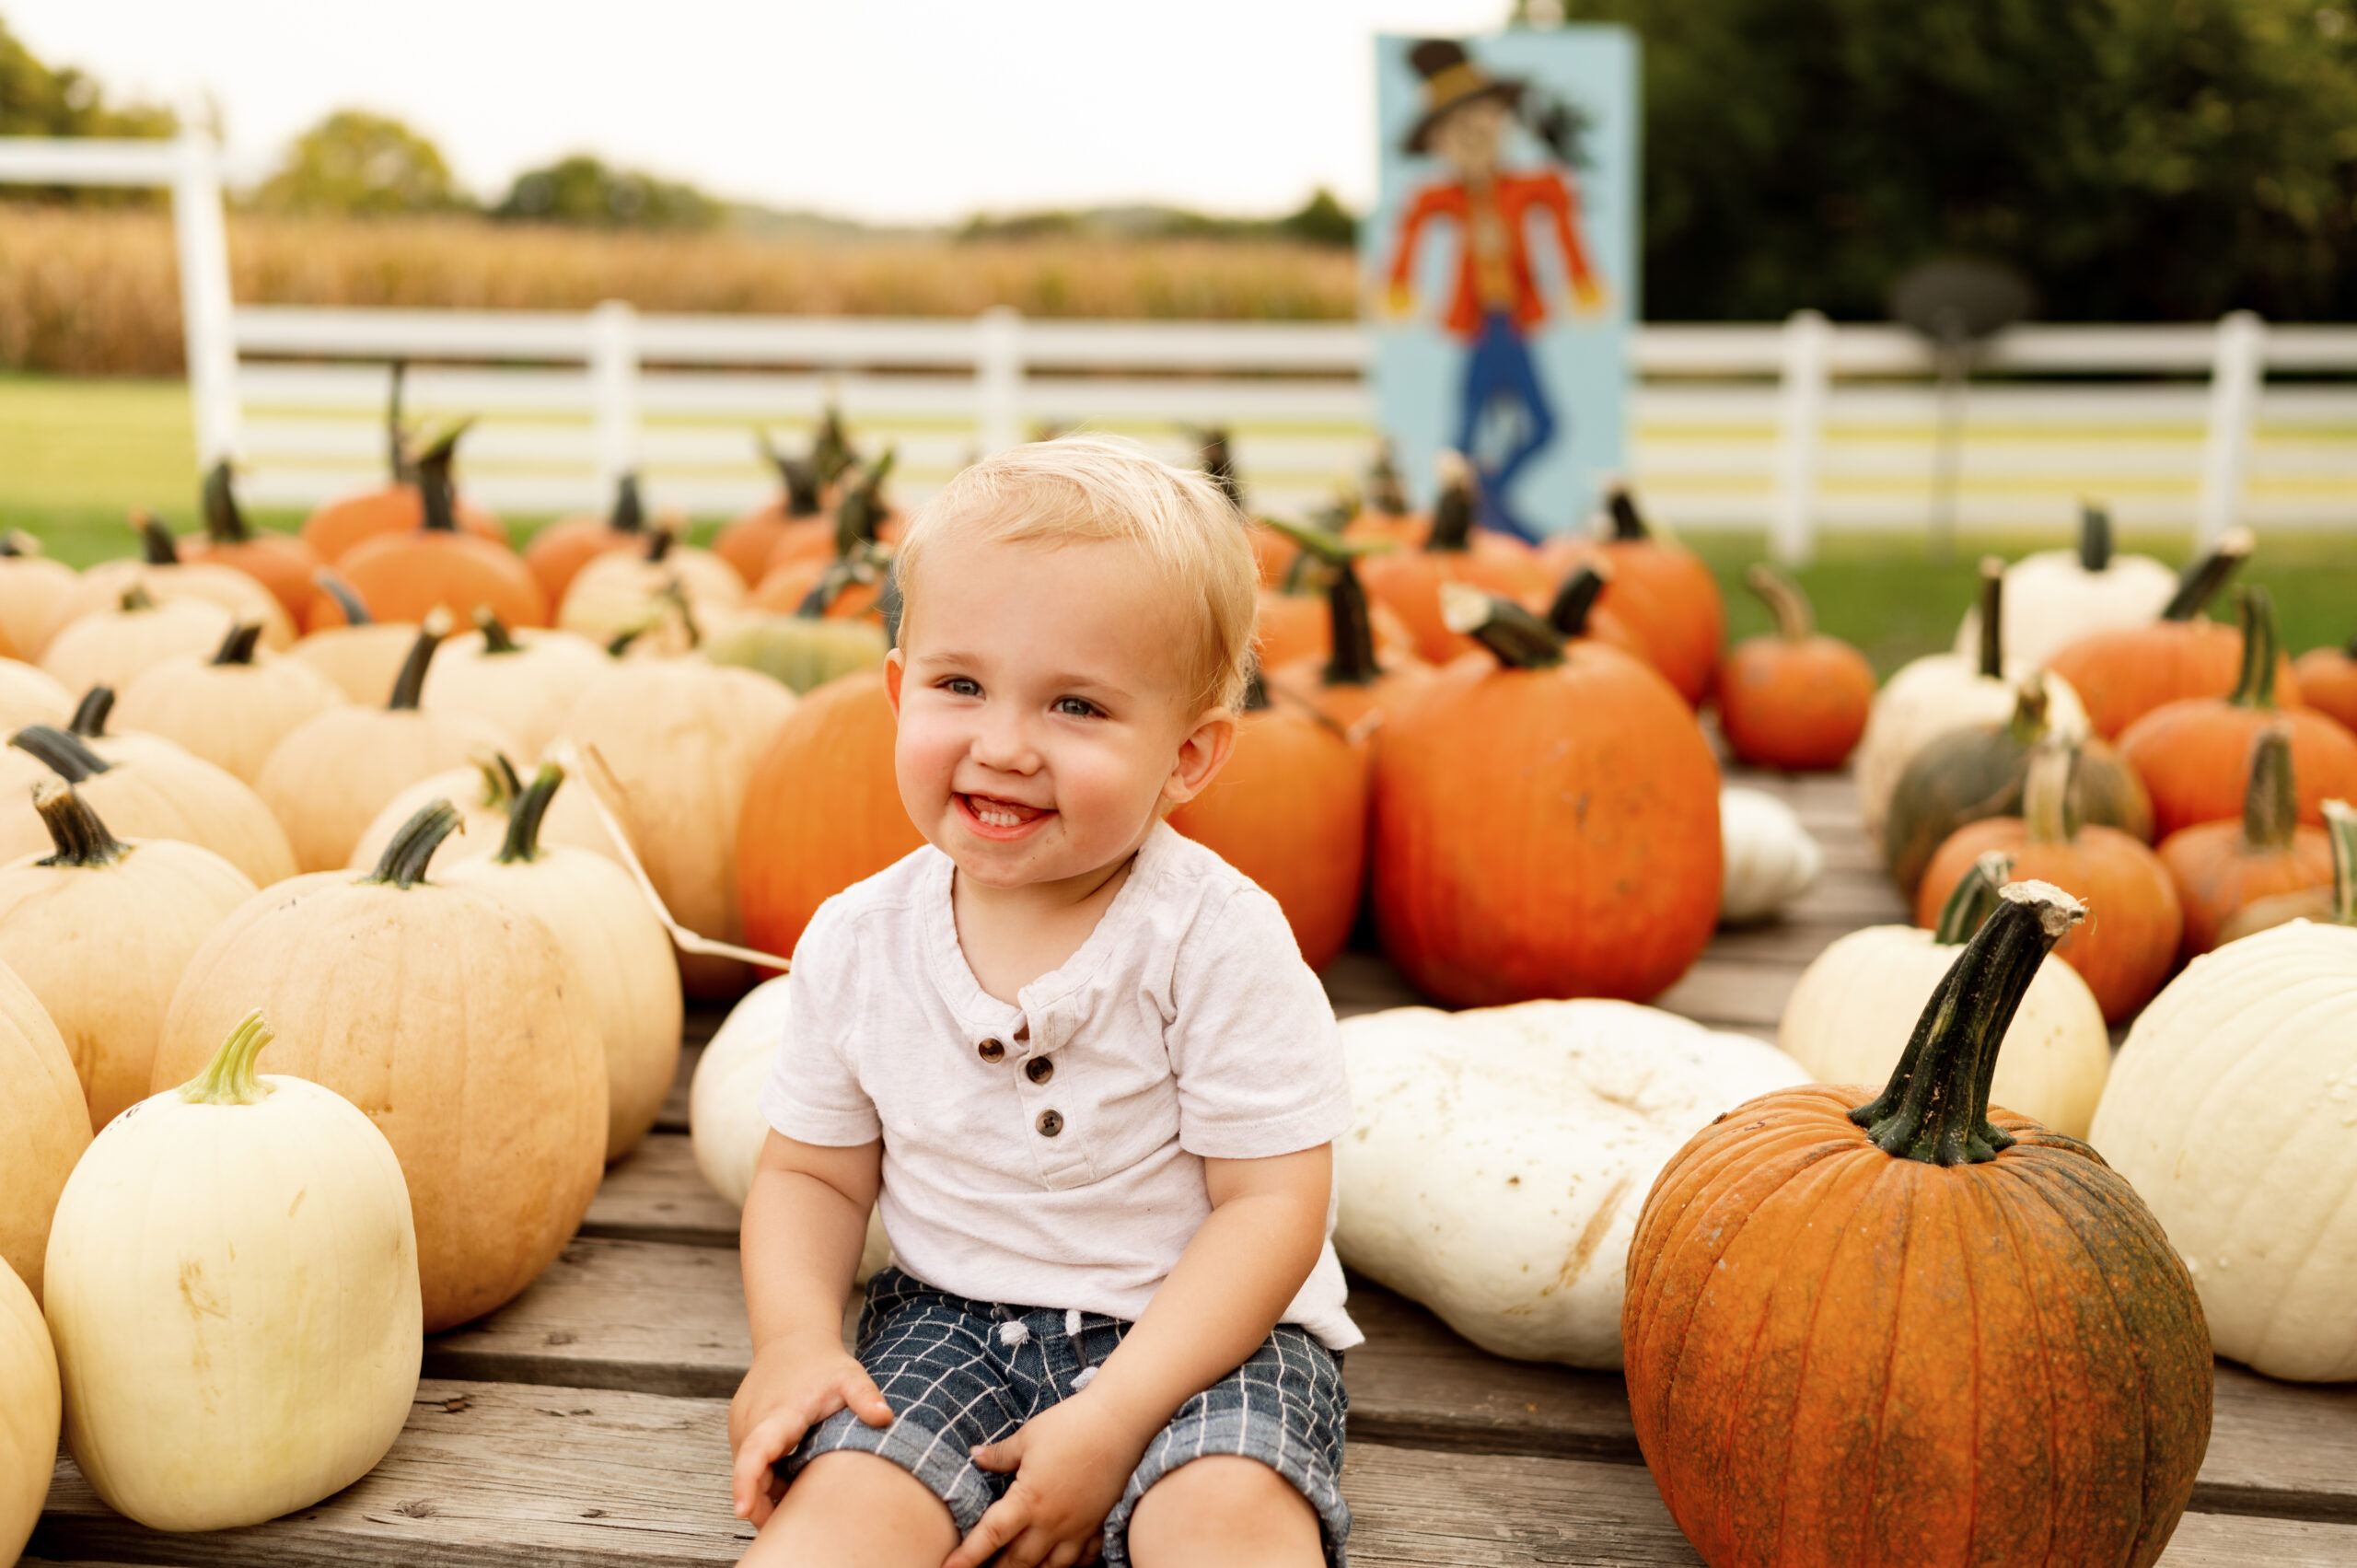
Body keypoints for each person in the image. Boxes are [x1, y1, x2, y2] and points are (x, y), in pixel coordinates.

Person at [726, 434, 1358, 1568]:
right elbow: (811, 1172)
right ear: (896, 690)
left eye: (1075, 704)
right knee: (840, 1519)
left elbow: (1269, 1208)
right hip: (948, 1318)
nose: (1004, 744)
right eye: (959, 685)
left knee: (1221, 1519)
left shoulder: (1215, 939)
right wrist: (792, 1339)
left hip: (1203, 1333)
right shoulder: (858, 942)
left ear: (1189, 755)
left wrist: (1117, 1416)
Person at [1384, 37, 1607, 541]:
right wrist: (1399, 285)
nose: (1473, 135)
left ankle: (1489, 493)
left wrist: (1582, 279)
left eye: (1481, 120)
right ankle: (1473, 512)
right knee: (1464, 432)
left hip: (1516, 323)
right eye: (1457, 128)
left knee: (1545, 425)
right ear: (1440, 141)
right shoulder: (1441, 197)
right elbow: (1414, 224)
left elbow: (1561, 215)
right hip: (1479, 328)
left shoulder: (1530, 189)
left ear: (1502, 122)